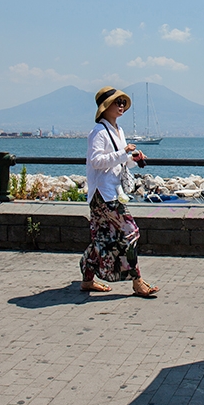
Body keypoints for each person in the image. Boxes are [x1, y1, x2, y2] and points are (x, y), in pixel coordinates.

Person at [79, 86, 159, 297]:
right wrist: (123, 152)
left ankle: (87, 278)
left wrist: (133, 158)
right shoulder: (98, 132)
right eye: (117, 102)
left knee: (101, 238)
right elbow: (96, 161)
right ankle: (137, 281)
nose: (122, 106)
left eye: (123, 102)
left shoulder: (118, 130)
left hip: (112, 192)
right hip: (103, 194)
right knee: (130, 231)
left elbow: (119, 162)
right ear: (106, 107)